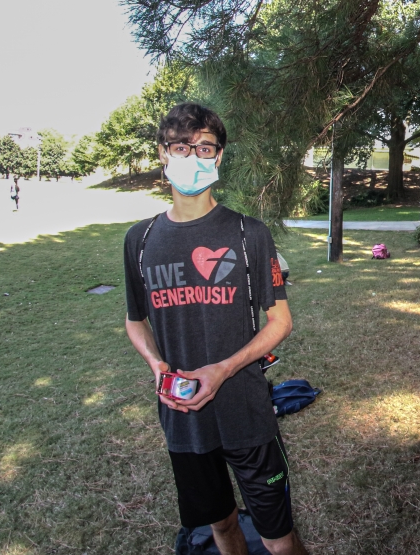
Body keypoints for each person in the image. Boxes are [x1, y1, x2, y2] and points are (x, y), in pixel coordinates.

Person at [122, 103, 307, 555]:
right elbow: (135, 322)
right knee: (221, 527)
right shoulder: (140, 240)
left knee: (279, 542)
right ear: (163, 155)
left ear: (219, 156)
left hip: (245, 413)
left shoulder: (249, 234)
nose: (193, 156)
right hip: (183, 421)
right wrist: (158, 365)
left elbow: (280, 321)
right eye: (181, 146)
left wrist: (223, 368)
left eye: (204, 146)